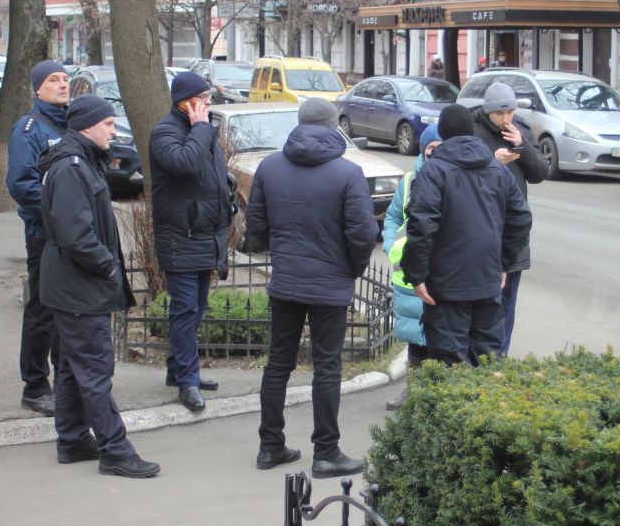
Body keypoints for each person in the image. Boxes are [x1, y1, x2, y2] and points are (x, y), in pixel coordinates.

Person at [246, 97, 378, 478]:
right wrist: (351, 269)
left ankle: (270, 446)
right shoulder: (348, 172)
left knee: (278, 363)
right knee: (326, 366)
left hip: (286, 281)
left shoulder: (269, 167)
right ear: (334, 125)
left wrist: (283, 253)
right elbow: (362, 233)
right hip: (329, 285)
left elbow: (256, 226)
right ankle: (326, 452)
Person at [38, 95, 159, 478]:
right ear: (87, 126)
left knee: (76, 368)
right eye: (107, 124)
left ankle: (73, 440)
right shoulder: (72, 167)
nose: (113, 130)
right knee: (94, 368)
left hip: (74, 285)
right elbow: (76, 235)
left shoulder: (80, 161)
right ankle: (115, 450)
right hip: (78, 286)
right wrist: (107, 266)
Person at [401, 105, 532, 368]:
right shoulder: (497, 170)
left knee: (450, 364)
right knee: (485, 361)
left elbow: (421, 225)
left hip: (446, 286)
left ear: (443, 132)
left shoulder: (434, 170)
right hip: (486, 279)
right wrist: (503, 262)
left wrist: (416, 274)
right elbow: (521, 219)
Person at [149, 72, 232, 412]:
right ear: (185, 101)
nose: (209, 103)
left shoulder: (203, 132)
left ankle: (178, 369)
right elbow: (184, 166)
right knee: (184, 310)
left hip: (203, 235)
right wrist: (200, 128)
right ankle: (187, 380)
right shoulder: (165, 132)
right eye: (203, 98)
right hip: (179, 237)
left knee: (195, 310)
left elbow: (211, 176)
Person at [5, 60, 69, 417]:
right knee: (43, 309)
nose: (62, 84)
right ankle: (35, 385)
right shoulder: (29, 129)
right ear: (37, 89)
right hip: (45, 234)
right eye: (53, 80)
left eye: (65, 78)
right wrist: (59, 215)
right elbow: (21, 184)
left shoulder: (71, 123)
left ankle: (67, 381)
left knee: (68, 308)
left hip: (71, 234)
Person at [469, 82, 548, 354]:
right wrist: (492, 159)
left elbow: (539, 173)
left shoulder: (521, 129)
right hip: (479, 230)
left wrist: (522, 146)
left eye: (510, 112)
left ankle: (499, 360)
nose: (506, 119)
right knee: (480, 305)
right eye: (500, 113)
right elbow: (458, 171)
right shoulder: (472, 131)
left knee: (506, 304)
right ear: (488, 111)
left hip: (512, 233)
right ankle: (479, 360)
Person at [382, 125, 441, 411]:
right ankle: (414, 389)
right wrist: (390, 243)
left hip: (441, 269)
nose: (436, 155)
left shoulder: (453, 178)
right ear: (423, 150)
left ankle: (437, 392)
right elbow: (393, 216)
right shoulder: (409, 181)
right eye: (432, 149)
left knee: (440, 334)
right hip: (409, 271)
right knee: (414, 334)